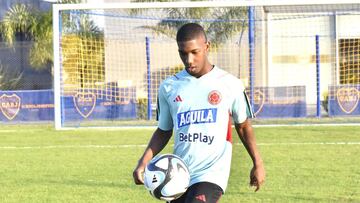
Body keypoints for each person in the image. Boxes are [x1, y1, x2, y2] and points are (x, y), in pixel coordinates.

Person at [133, 23, 265, 203]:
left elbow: (243, 126)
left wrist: (257, 163)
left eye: (194, 52)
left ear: (207, 47)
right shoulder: (169, 87)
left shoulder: (229, 84)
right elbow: (164, 130)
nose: (189, 60)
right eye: (183, 53)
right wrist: (143, 162)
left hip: (211, 175)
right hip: (177, 174)